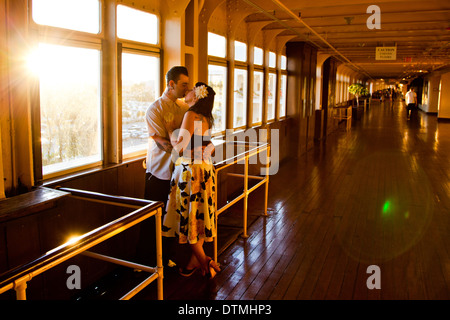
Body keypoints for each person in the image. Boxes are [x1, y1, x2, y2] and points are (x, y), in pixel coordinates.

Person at [162, 82, 221, 279]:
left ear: (196, 97)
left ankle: (205, 261)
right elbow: (209, 143)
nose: (187, 92)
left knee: (189, 218)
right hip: (205, 169)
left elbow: (181, 147)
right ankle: (193, 262)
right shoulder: (206, 118)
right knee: (199, 215)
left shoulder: (190, 115)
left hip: (191, 171)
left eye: (191, 90)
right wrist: (206, 151)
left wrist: (171, 135)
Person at [137, 66, 190, 267]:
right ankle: (144, 264)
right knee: (152, 220)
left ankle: (166, 257)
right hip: (158, 172)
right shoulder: (155, 109)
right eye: (184, 84)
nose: (187, 88)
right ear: (171, 84)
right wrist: (189, 150)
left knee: (171, 220)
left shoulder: (185, 109)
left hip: (177, 173)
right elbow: (162, 142)